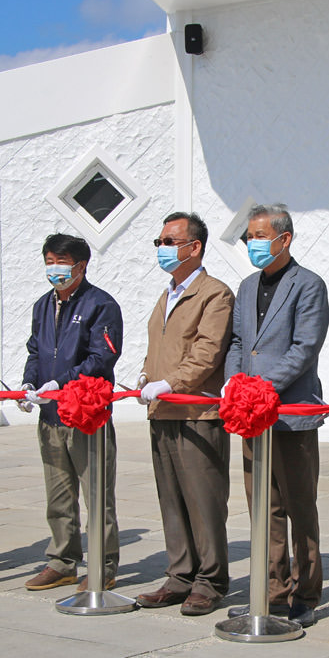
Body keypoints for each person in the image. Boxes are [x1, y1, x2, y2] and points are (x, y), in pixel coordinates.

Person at [224, 204, 329, 627]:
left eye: (260, 237)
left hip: (290, 412)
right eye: (249, 237)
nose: (253, 244)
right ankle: (270, 589)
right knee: (262, 508)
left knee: (299, 506)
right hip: (252, 414)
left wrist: (263, 387)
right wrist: (235, 384)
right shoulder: (248, 286)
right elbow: (236, 342)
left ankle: (306, 593)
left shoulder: (309, 285)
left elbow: (305, 347)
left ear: (284, 239)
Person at [135, 211, 234, 616]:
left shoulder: (214, 293)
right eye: (159, 242)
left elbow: (208, 352)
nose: (162, 249)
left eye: (169, 242)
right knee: (172, 500)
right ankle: (180, 575)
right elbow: (159, 346)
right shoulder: (169, 292)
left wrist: (170, 383)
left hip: (196, 412)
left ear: (194, 247)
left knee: (203, 501)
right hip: (163, 411)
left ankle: (210, 582)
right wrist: (147, 373)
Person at [20, 234, 123, 592]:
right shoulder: (42, 305)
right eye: (49, 261)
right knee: (58, 494)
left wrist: (61, 383)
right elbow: (35, 351)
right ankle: (62, 561)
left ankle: (103, 565)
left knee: (96, 494)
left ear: (81, 266)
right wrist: (30, 385)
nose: (54, 269)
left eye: (61, 262)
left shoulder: (101, 304)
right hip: (49, 415)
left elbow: (101, 357)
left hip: (85, 414)